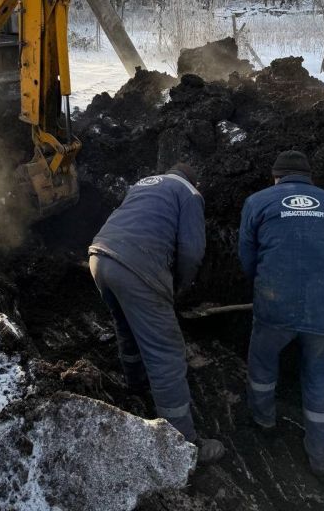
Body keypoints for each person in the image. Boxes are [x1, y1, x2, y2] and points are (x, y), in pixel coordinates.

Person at [89, 163, 225, 464]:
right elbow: (191, 250)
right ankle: (182, 445)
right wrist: (178, 287)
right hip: (136, 263)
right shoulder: (189, 193)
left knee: (126, 325)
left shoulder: (142, 183)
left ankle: (136, 384)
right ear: (195, 180)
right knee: (165, 351)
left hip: (99, 255)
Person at [238, 150, 324, 476]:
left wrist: (266, 288)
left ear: (276, 176)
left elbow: (247, 258)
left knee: (262, 362)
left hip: (275, 303)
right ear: (310, 178)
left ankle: (263, 422)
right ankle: (321, 459)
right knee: (318, 374)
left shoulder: (258, 201)